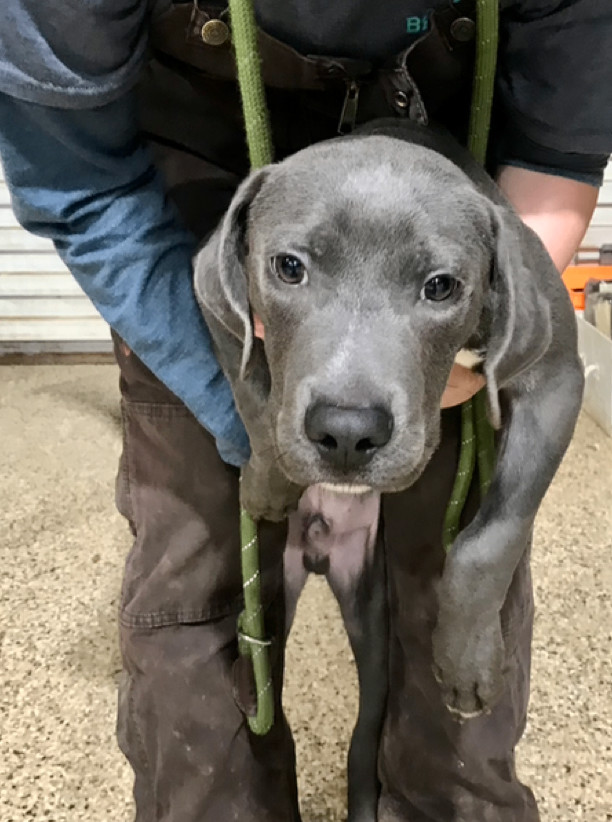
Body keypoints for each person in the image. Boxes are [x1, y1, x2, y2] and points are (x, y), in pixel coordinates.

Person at [1, 2, 610, 820]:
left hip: (458, 197)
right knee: (199, 596)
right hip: (198, 197)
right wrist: (248, 417)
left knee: (453, 618)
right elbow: (78, 180)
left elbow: (554, 149)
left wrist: (472, 346)